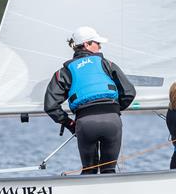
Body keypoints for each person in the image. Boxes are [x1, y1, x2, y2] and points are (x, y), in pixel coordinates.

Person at [44, 26, 136, 174]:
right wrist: (114, 110)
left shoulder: (64, 72)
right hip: (112, 121)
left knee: (89, 171)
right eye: (97, 43)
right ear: (86, 44)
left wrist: (70, 124)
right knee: (108, 170)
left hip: (85, 123)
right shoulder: (107, 64)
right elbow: (129, 92)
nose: (100, 46)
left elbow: (50, 106)